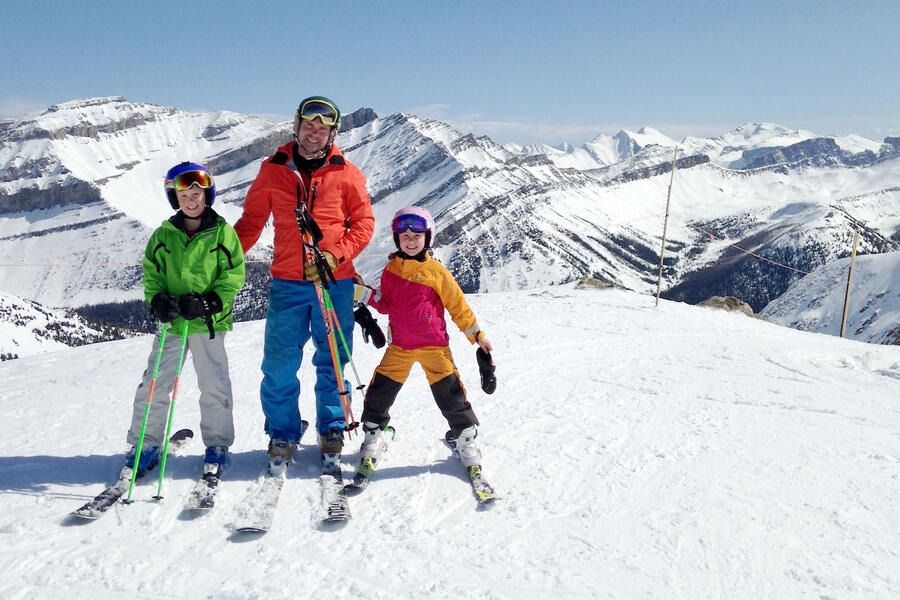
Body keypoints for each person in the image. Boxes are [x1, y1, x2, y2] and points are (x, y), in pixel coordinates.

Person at [233, 96, 374, 468]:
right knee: (279, 363)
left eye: (322, 127)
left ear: (332, 133)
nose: (314, 132)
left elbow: (363, 225)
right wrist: (222, 258)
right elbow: (250, 224)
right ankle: (283, 431)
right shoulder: (272, 170)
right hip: (288, 283)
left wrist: (334, 256)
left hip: (335, 282)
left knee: (332, 360)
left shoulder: (348, 174)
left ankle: (330, 427)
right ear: (296, 126)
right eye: (308, 125)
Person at [124, 162, 245, 477]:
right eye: (184, 195)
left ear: (208, 195)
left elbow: (233, 274)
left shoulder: (223, 233)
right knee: (154, 384)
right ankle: (145, 445)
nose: (192, 200)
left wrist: (210, 302)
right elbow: (152, 274)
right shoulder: (164, 235)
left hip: (209, 324)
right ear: (174, 198)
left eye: (197, 194)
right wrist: (158, 301)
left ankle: (217, 444)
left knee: (214, 383)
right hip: (172, 325)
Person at [356, 206, 494, 470]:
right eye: (404, 236)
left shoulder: (437, 272)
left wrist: (478, 336)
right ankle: (373, 434)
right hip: (400, 347)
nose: (410, 241)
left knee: (451, 394)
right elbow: (386, 305)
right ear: (397, 239)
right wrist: (365, 293)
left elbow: (457, 306)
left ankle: (465, 438)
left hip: (434, 348)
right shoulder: (390, 271)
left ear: (427, 238)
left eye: (416, 236)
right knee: (379, 391)